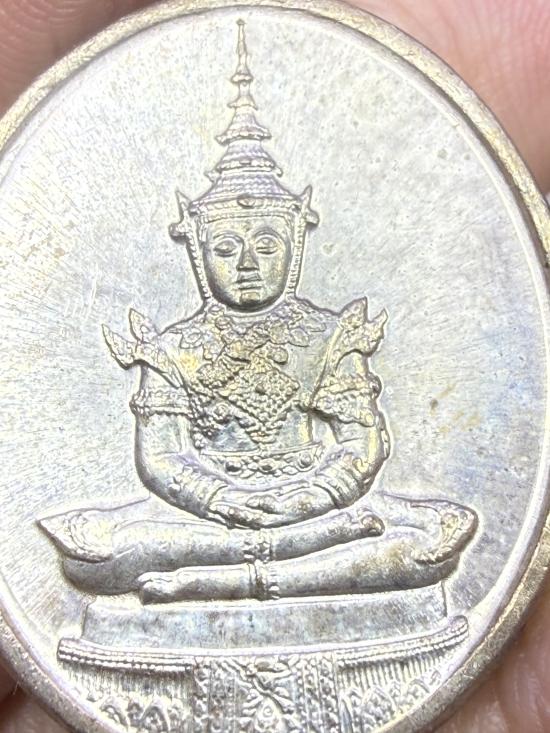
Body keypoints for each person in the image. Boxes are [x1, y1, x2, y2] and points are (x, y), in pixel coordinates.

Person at [0, 1, 549, 731]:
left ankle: (228, 580)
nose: (248, 263)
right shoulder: (172, 346)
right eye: (228, 247)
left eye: (266, 243)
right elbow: (161, 460)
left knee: (428, 538)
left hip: (326, 516)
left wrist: (310, 497)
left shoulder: (330, 334)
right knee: (100, 553)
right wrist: (223, 500)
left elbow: (361, 447)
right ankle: (252, 568)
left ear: (296, 242)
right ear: (198, 248)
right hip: (203, 519)